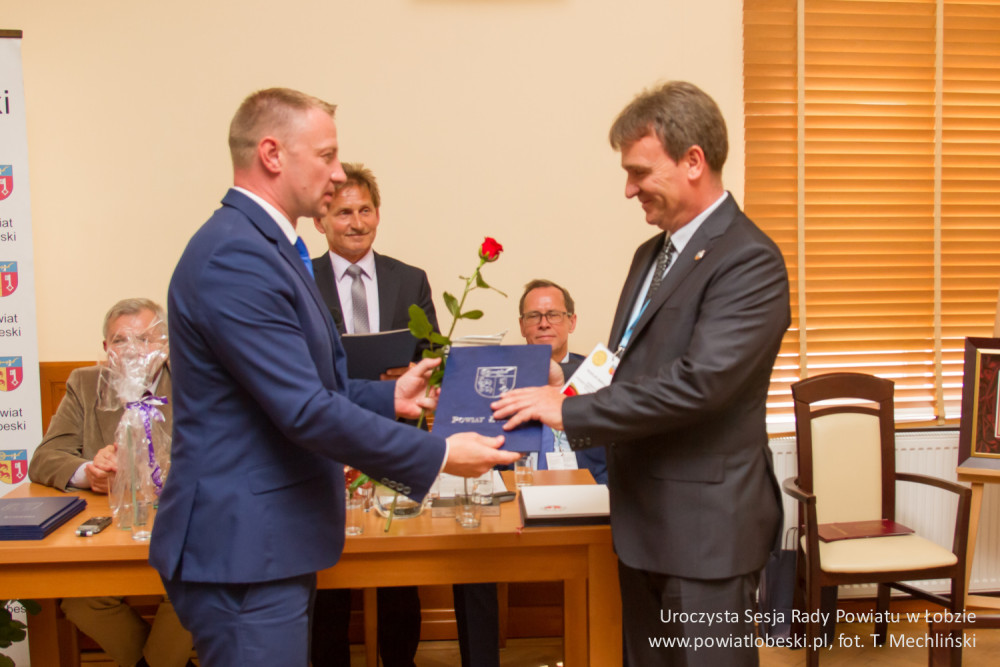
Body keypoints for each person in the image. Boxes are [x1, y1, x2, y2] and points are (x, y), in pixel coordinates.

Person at [148, 87, 518, 667]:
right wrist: (441, 454)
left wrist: (389, 395)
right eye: (326, 155)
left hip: (266, 543)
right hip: (244, 549)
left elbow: (306, 389)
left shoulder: (266, 245)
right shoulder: (236, 256)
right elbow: (304, 411)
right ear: (272, 154)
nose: (339, 172)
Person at [492, 81, 790, 666]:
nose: (629, 189)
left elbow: (701, 384)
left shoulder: (748, 260)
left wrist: (569, 411)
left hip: (706, 534)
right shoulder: (650, 256)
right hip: (642, 524)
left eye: (639, 172)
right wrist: (562, 391)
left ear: (693, 162)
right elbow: (626, 362)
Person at [309, 162, 432, 666]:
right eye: (343, 213)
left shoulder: (411, 279)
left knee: (400, 573)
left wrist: (413, 374)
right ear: (321, 219)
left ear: (378, 214)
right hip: (326, 440)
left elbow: (432, 356)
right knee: (329, 577)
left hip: (394, 436)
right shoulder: (301, 280)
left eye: (365, 210)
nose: (356, 222)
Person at [28, 298, 194, 667]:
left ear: (166, 345)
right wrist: (89, 471)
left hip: (183, 532)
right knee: (81, 601)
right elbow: (45, 457)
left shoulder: (194, 382)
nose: (133, 349)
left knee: (193, 589)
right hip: (112, 535)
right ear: (106, 348)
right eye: (120, 340)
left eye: (145, 338)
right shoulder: (85, 383)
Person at [518, 278, 607, 484]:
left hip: (590, 489)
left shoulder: (596, 374)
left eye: (553, 315)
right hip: (522, 487)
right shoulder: (505, 376)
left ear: (571, 322)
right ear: (522, 326)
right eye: (533, 316)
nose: (544, 324)